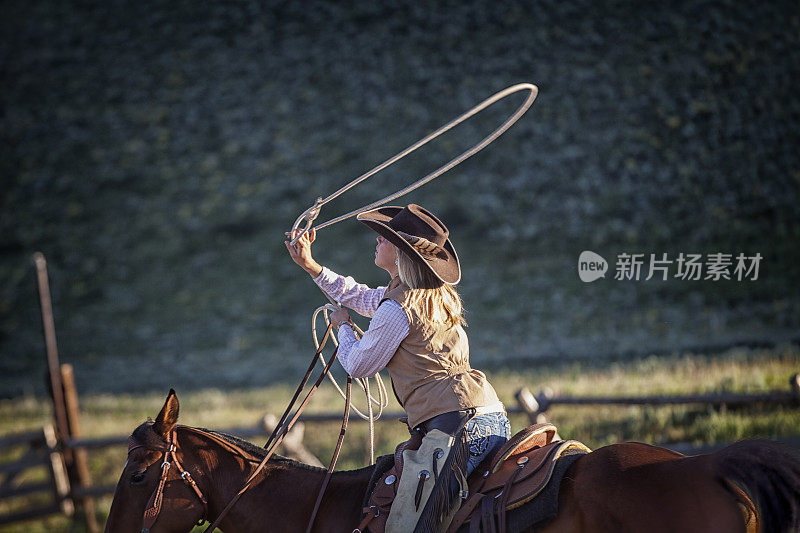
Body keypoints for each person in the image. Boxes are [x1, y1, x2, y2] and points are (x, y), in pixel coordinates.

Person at [285, 203, 510, 531]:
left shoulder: (398, 307)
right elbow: (359, 296)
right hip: (488, 415)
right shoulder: (428, 295)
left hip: (456, 428)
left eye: (385, 238)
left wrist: (343, 327)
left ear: (403, 253)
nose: (377, 241)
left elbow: (359, 364)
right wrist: (312, 266)